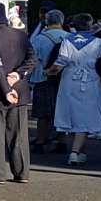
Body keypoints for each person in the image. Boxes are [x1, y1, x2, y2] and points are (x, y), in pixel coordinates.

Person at [0, 2, 37, 184]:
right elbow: (32, 58)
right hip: (20, 89)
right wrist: (18, 74)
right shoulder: (21, 35)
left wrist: (6, 89)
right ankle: (22, 171)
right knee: (19, 134)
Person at [47, 13, 101, 166]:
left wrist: (49, 71)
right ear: (90, 25)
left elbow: (60, 64)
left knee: (73, 116)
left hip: (70, 81)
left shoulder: (67, 40)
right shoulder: (99, 41)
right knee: (85, 117)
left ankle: (80, 151)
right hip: (91, 81)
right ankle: (75, 151)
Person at [30, 9, 69, 154]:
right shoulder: (69, 37)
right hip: (63, 80)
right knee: (61, 112)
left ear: (47, 21)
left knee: (43, 113)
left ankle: (40, 142)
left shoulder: (40, 39)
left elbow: (32, 59)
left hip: (43, 78)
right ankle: (62, 142)